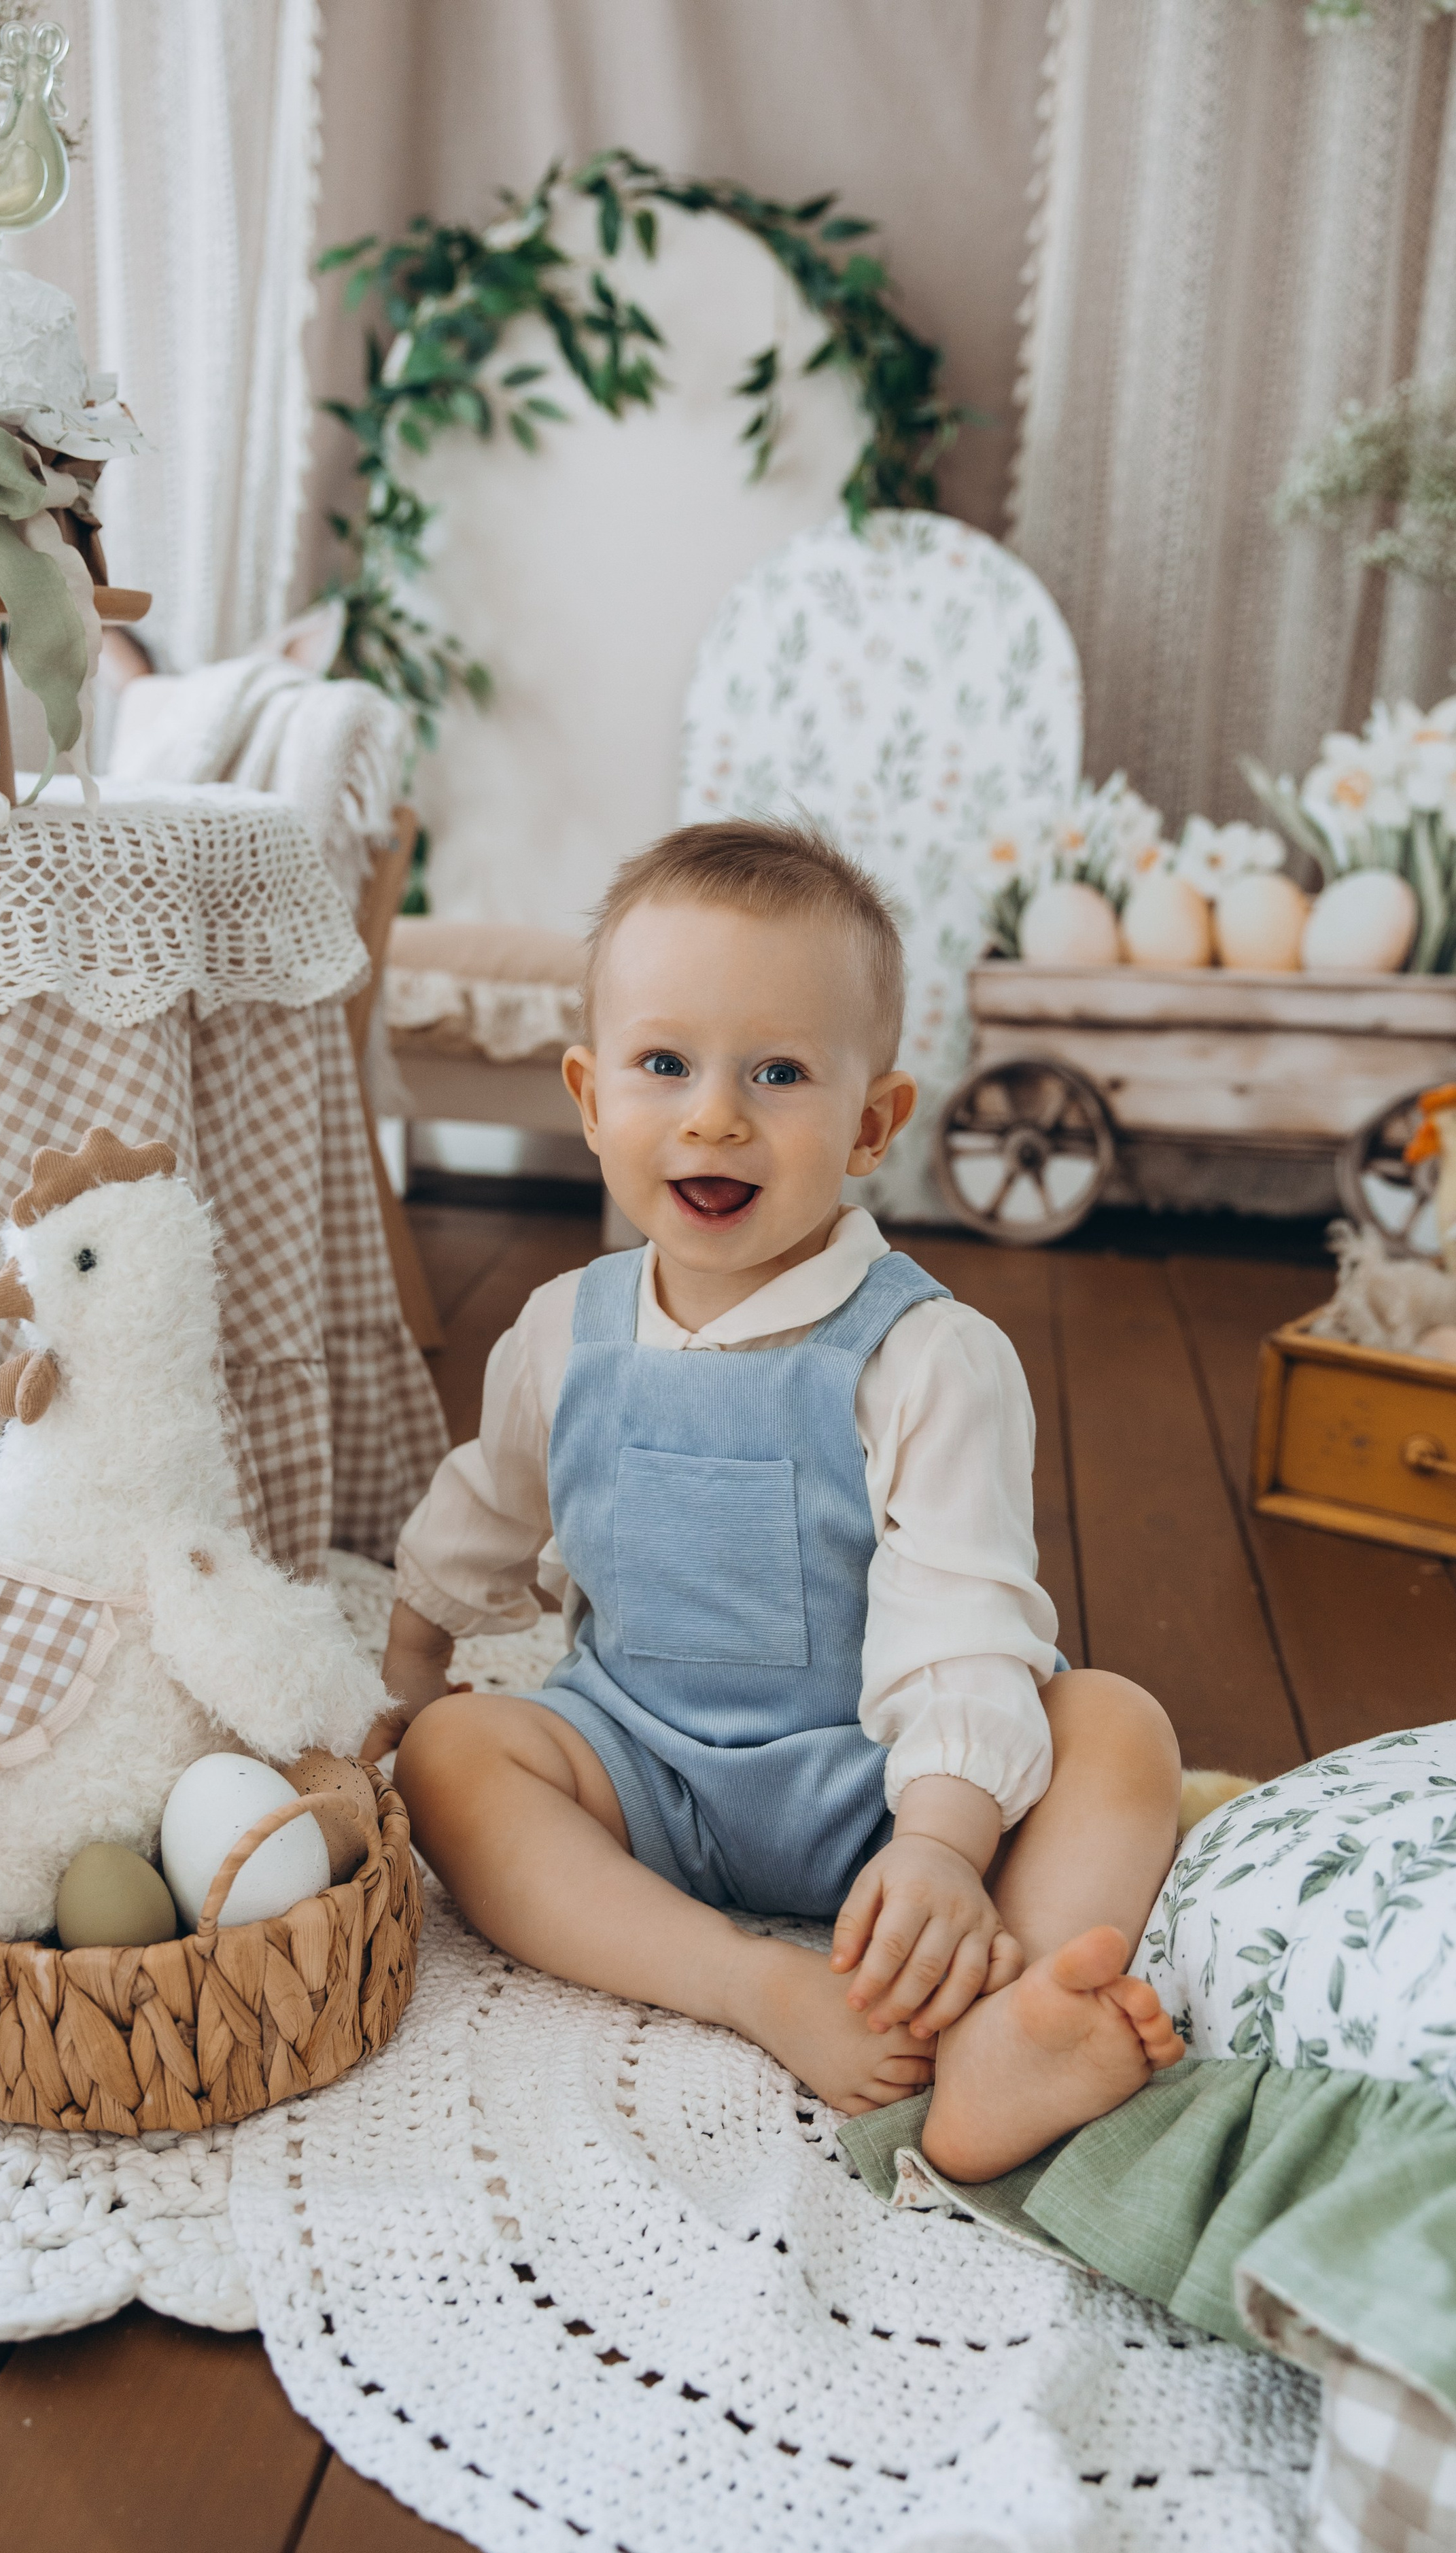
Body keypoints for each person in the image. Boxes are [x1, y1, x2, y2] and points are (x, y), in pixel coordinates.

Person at [382, 820, 1183, 2182]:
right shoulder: (561, 1330)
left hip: (885, 1782)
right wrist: (403, 1678)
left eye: (777, 1072)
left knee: (1113, 1730)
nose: (713, 1115)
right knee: (451, 1762)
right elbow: (481, 1509)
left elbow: (964, 1614)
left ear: (872, 1121)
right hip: (642, 1762)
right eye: (662, 1064)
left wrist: (939, 1841)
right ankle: (740, 1978)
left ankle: (1006, 2018)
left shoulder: (922, 1355)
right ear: (588, 1097)